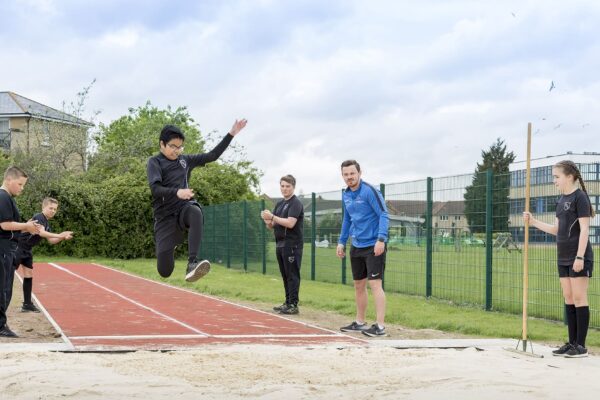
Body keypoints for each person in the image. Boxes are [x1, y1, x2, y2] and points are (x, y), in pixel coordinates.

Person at [147, 119, 247, 282]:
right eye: (173, 146)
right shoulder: (155, 162)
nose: (177, 151)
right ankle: (171, 245)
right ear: (162, 144)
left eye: (180, 147)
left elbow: (212, 156)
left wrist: (231, 134)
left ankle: (192, 263)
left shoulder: (185, 161)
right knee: (165, 271)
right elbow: (155, 189)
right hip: (164, 218)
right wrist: (177, 192)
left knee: (195, 211)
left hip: (182, 210)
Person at [524, 160, 595, 358]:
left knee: (580, 298)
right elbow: (556, 230)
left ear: (569, 176)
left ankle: (581, 346)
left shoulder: (580, 198)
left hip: (578, 256)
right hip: (562, 257)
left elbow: (585, 230)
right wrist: (534, 221)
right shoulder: (560, 200)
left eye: (557, 176)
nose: (554, 180)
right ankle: (571, 343)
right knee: (569, 297)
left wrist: (580, 256)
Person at [336, 160, 389, 337]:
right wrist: (342, 241)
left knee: (375, 283)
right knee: (359, 285)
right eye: (346, 174)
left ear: (359, 173)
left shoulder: (369, 191)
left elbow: (383, 214)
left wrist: (381, 239)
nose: (349, 177)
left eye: (352, 173)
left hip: (374, 244)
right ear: (342, 175)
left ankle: (380, 326)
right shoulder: (346, 194)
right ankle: (359, 322)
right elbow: (347, 219)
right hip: (356, 244)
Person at [14, 197, 74, 313]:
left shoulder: (46, 222)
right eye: (50, 208)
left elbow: (51, 240)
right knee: (6, 276)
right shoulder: (38, 217)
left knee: (28, 274)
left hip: (27, 250)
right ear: (44, 207)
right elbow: (41, 233)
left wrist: (62, 237)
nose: (53, 211)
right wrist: (60, 234)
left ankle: (27, 304)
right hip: (17, 248)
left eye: (55, 209)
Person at [0, 166, 40, 338]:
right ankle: (0, 326)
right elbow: (4, 225)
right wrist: (26, 226)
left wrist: (27, 227)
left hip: (8, 248)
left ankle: (1, 324)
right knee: (3, 288)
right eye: (20, 184)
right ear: (9, 180)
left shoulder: (7, 197)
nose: (22, 188)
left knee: (6, 288)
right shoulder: (2, 197)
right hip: (3, 249)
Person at [261, 175, 304, 315]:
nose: (284, 189)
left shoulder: (295, 203)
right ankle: (287, 302)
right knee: (285, 275)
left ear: (293, 187)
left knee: (292, 274)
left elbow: (290, 223)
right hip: (280, 244)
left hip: (292, 244)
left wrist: (272, 217)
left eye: (288, 186)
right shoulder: (279, 204)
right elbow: (272, 225)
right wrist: (267, 219)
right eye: (282, 186)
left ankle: (293, 304)